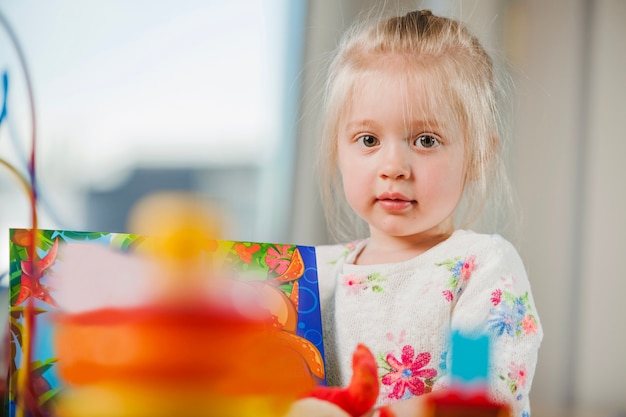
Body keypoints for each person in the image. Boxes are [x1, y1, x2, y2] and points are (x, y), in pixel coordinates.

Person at [313, 9, 543, 417]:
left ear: (478, 155)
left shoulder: (482, 266)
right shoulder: (319, 275)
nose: (394, 166)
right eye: (368, 139)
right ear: (338, 150)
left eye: (425, 139)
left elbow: (488, 396)